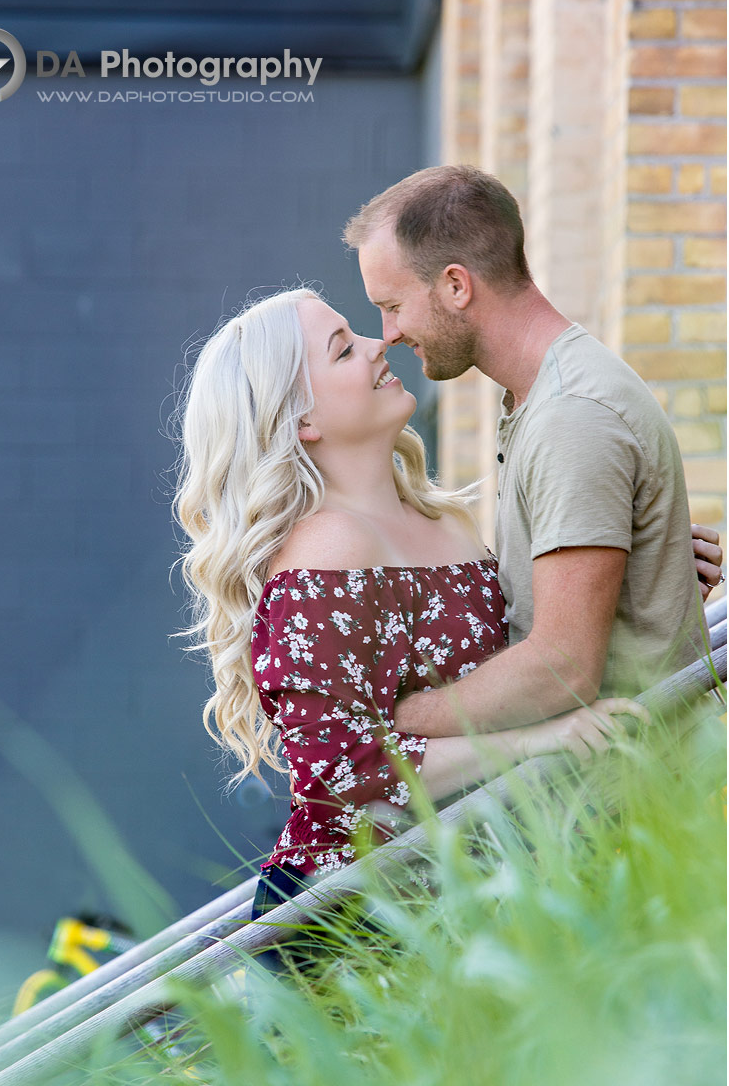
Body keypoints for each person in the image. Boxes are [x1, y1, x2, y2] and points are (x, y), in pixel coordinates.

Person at [173, 288, 650, 928]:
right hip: (360, 924)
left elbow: (526, 661)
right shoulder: (325, 549)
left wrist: (635, 574)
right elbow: (340, 768)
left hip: (470, 895)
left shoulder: (442, 520)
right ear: (302, 420)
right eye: (344, 350)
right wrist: (536, 743)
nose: (379, 344)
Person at [343, 165, 723, 741]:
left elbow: (560, 671)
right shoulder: (540, 399)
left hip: (625, 805)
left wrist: (385, 723)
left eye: (392, 305)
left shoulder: (570, 417)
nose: (388, 332)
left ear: (455, 285)